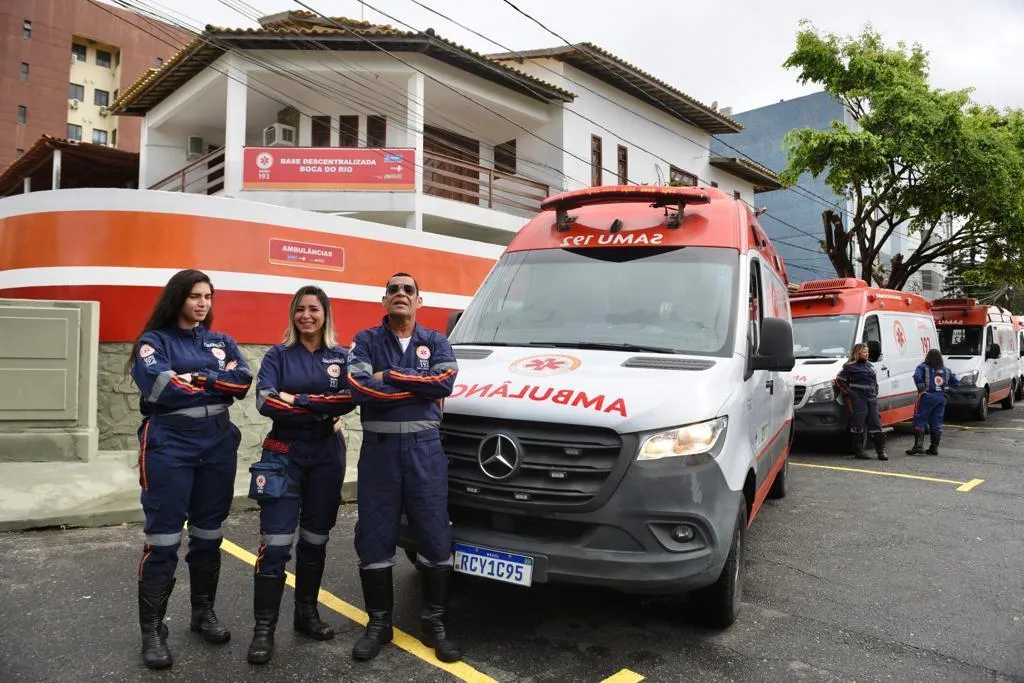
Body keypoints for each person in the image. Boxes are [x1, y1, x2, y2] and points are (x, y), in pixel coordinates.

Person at [125, 269, 252, 670]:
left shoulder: (221, 341)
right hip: (169, 444)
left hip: (217, 443)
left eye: (207, 297)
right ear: (178, 297)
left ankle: (203, 613)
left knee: (209, 532)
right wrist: (214, 382)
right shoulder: (153, 341)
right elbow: (159, 385)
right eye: (195, 296)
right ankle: (152, 630)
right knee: (163, 538)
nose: (202, 303)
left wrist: (196, 377)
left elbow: (242, 382)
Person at [346, 272, 461, 663]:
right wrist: (418, 386)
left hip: (425, 454)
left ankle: (435, 623)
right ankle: (379, 624)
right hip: (379, 454)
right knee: (374, 536)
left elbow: (444, 382)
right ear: (384, 300)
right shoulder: (366, 340)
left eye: (408, 290)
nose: (400, 294)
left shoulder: (436, 341)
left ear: (418, 301)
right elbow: (358, 388)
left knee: (434, 535)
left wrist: (391, 376)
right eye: (393, 289)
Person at [246, 285, 356, 665]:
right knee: (276, 542)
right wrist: (322, 410)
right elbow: (266, 401)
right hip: (284, 453)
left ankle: (306, 613)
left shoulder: (341, 356)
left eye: (314, 309)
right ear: (293, 315)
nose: (306, 315)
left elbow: (350, 398)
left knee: (315, 539)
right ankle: (264, 629)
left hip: (327, 455)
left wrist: (298, 400)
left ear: (325, 315)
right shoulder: (278, 355)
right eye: (300, 309)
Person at [835, 342, 888, 461]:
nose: (867, 354)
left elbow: (874, 381)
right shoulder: (849, 367)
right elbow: (839, 381)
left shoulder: (870, 366)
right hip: (859, 399)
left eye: (867, 352)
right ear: (858, 353)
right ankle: (859, 451)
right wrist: (851, 393)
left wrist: (875, 391)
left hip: (871, 398)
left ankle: (881, 451)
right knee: (858, 423)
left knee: (875, 423)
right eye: (864, 352)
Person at [906, 348, 959, 456]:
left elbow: (917, 376)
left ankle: (918, 446)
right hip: (941, 399)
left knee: (919, 420)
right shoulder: (946, 370)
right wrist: (946, 391)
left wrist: (921, 390)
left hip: (927, 397)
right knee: (936, 422)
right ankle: (934, 448)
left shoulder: (923, 367)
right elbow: (956, 383)